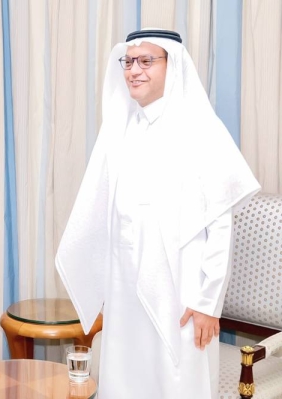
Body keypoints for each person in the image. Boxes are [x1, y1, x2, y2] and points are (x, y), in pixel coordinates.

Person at [55, 29, 260, 398]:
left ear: (173, 65)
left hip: (182, 292)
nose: (134, 70)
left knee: (176, 380)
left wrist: (208, 302)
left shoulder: (201, 130)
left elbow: (220, 223)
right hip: (125, 285)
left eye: (146, 61)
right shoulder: (120, 128)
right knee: (126, 375)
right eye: (129, 61)